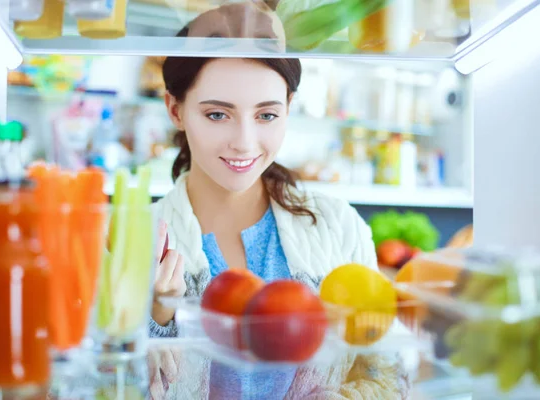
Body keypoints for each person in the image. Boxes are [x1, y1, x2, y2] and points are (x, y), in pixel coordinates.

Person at [145, 55, 410, 400]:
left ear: (288, 108)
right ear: (175, 110)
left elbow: (384, 370)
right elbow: (102, 382)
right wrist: (156, 320)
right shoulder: (133, 236)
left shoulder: (338, 225)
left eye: (266, 115)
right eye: (217, 114)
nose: (244, 141)